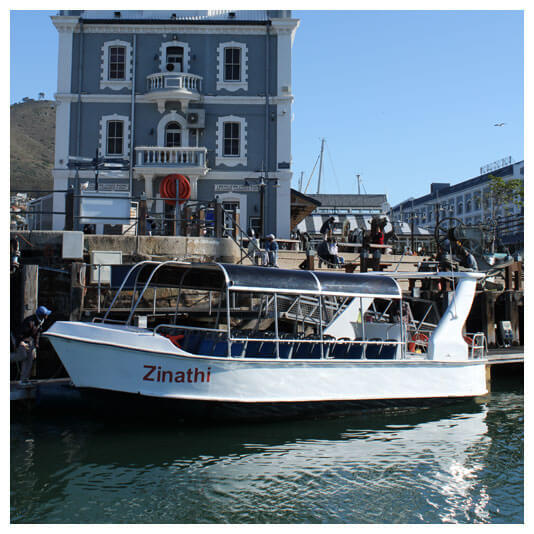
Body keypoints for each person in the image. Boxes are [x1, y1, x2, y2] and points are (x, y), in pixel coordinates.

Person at [13, 306, 52, 383]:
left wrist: (36, 346)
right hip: (20, 338)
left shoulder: (40, 321)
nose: (47, 315)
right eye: (46, 314)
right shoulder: (30, 322)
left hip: (28, 340)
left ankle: (24, 379)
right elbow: (19, 333)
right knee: (23, 356)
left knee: (30, 358)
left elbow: (37, 334)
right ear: (42, 315)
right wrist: (21, 342)